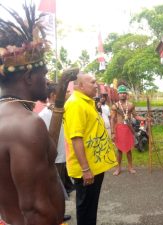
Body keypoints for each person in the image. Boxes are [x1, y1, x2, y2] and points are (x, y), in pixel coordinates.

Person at [0, 2, 65, 224]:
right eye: (43, 73)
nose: (47, 80)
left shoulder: (6, 117)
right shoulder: (27, 124)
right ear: (28, 77)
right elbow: (35, 209)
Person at [63, 72, 117, 225]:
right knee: (86, 209)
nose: (96, 86)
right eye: (92, 82)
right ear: (80, 86)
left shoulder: (86, 102)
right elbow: (76, 138)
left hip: (94, 166)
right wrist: (85, 169)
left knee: (90, 207)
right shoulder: (75, 104)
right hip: (87, 169)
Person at [39, 83, 74, 195]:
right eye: (62, 92)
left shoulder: (62, 110)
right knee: (57, 189)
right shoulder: (44, 115)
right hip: (56, 158)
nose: (65, 95)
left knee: (64, 187)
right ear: (54, 95)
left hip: (64, 154)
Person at [111, 84, 146, 175]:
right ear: (118, 94)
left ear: (126, 94)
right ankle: (118, 168)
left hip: (128, 129)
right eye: (121, 93)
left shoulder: (130, 105)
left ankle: (130, 167)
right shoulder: (115, 106)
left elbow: (136, 116)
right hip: (119, 128)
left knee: (128, 149)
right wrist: (112, 132)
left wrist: (145, 119)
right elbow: (112, 119)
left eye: (124, 93)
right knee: (119, 149)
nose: (123, 94)